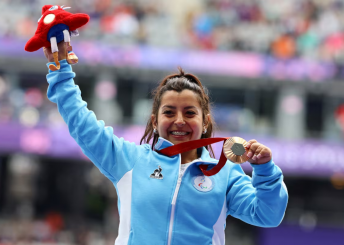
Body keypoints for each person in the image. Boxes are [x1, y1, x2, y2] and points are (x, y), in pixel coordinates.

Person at [44, 42, 288, 245]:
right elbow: (82, 125)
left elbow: (268, 215)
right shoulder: (130, 161)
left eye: (190, 113)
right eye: (169, 112)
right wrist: (60, 72)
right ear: (155, 120)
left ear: (205, 122)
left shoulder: (225, 173)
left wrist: (265, 170)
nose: (179, 121)